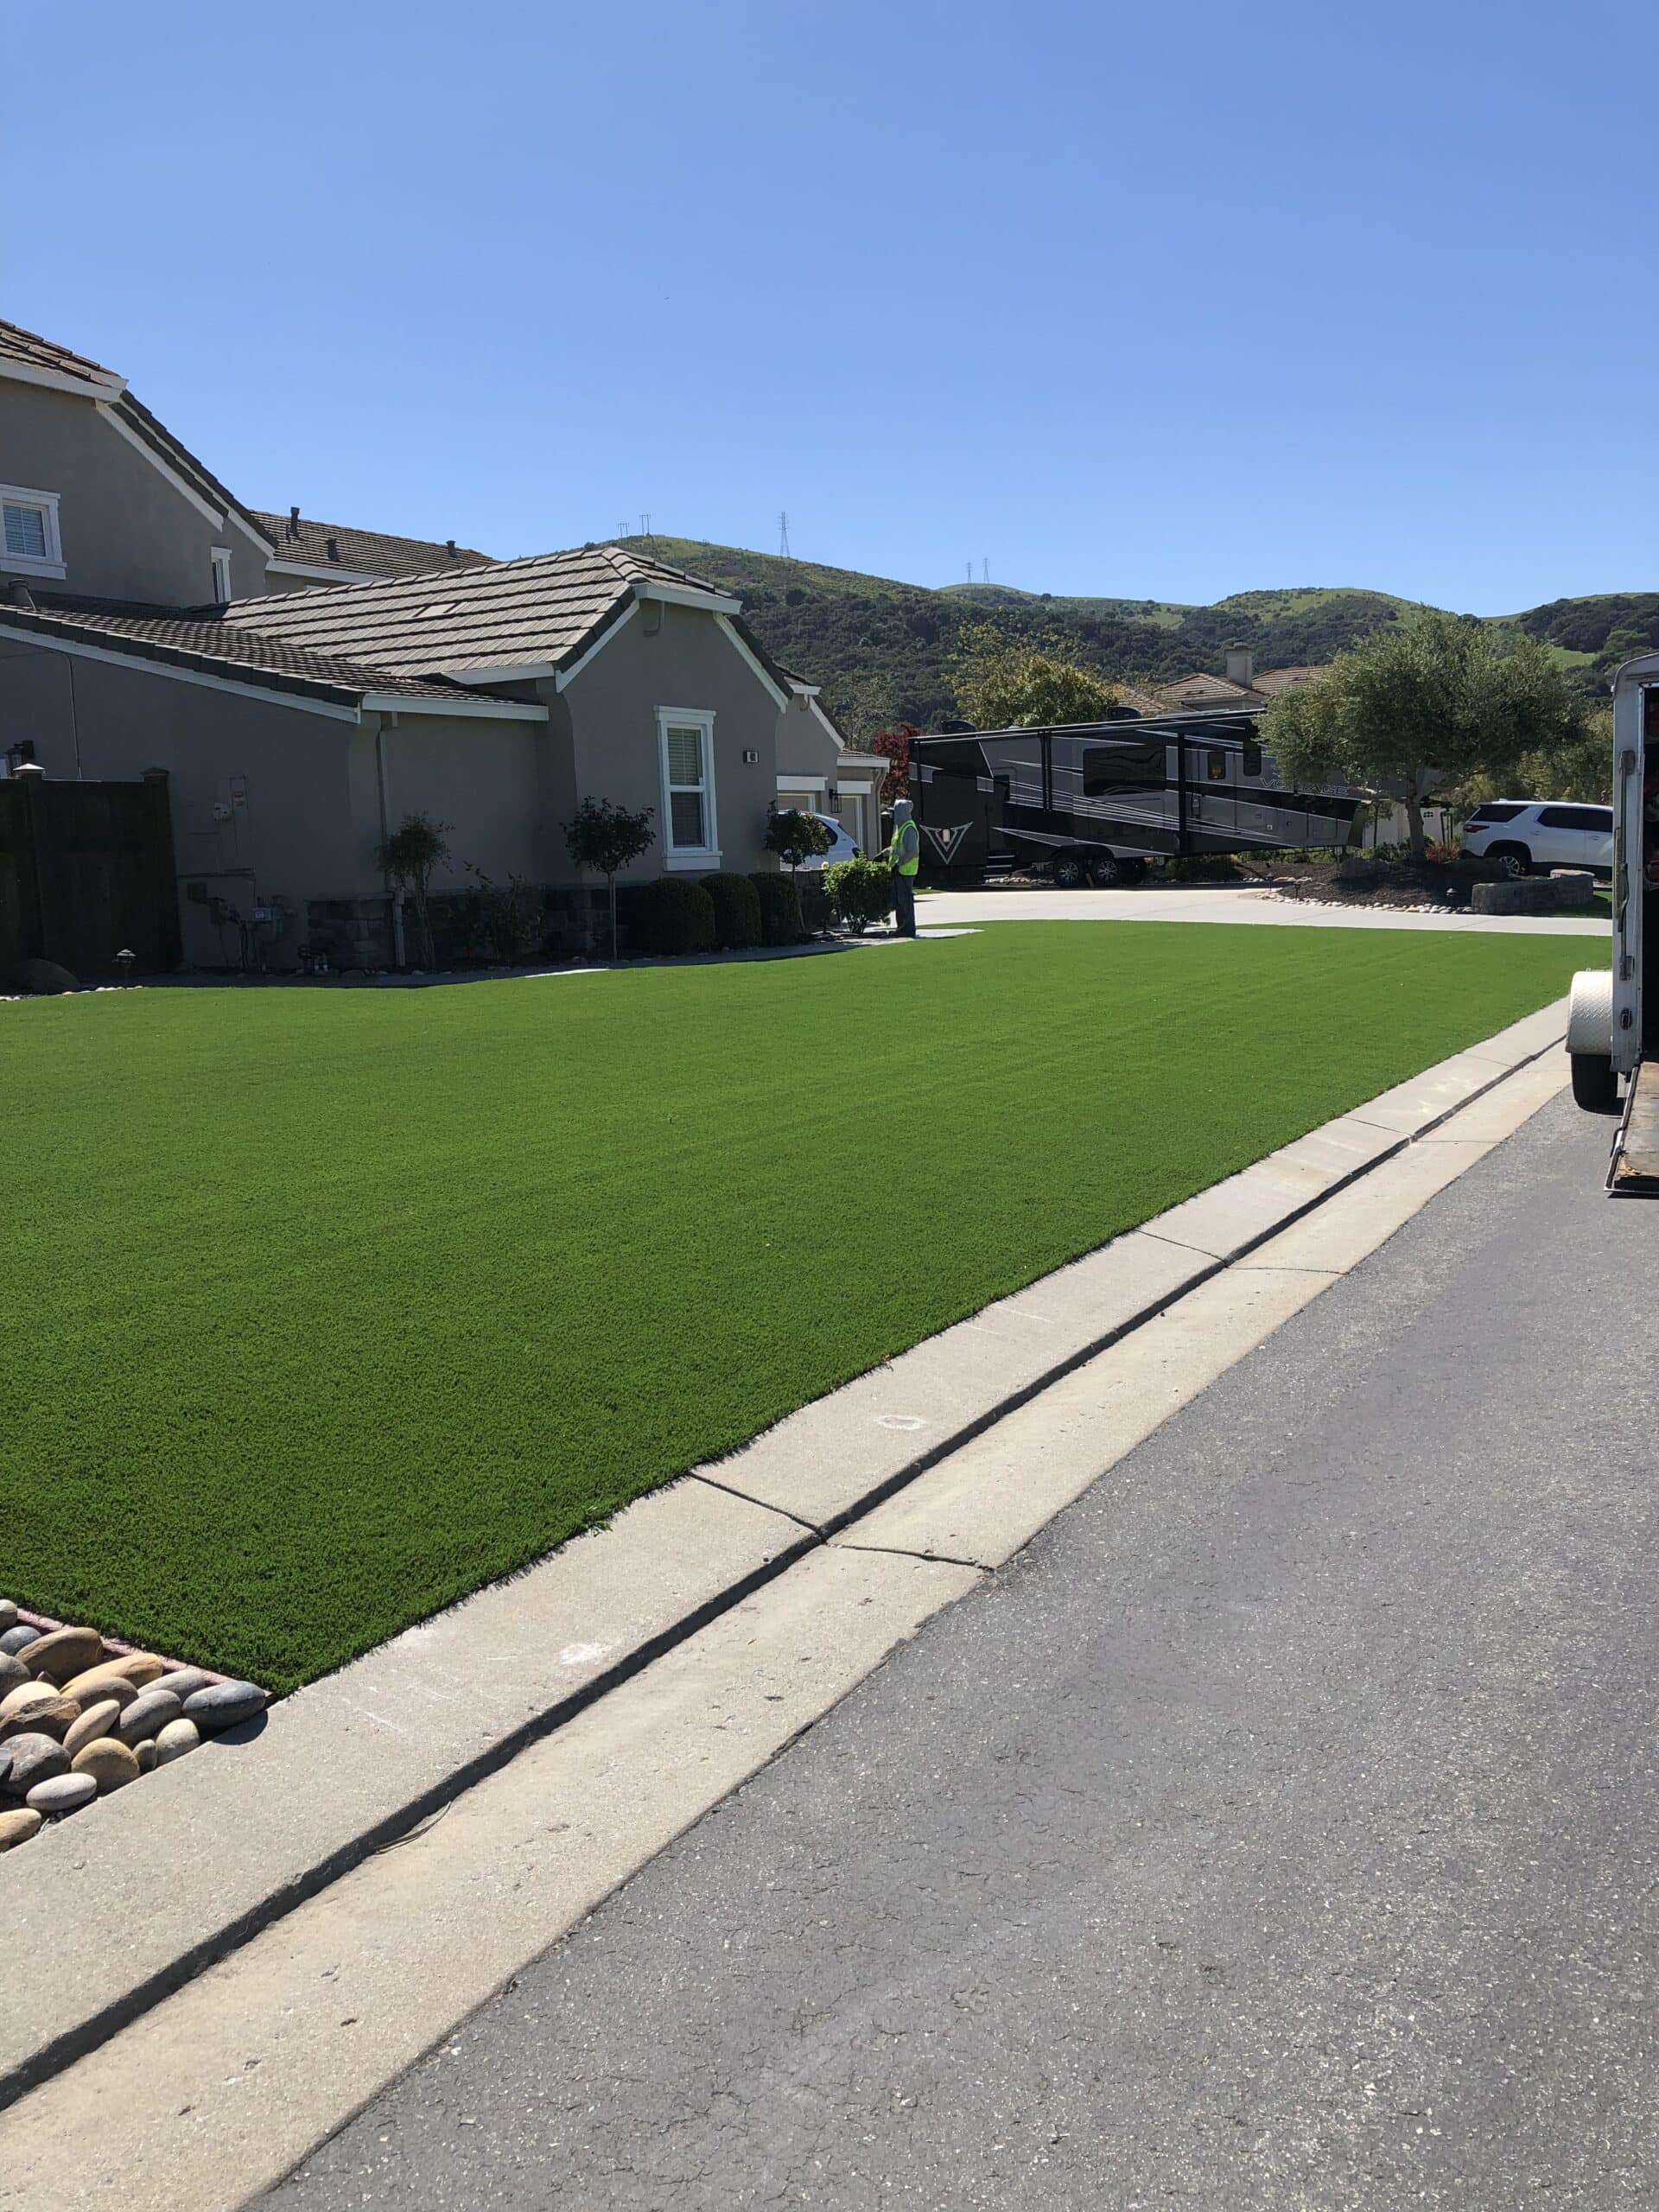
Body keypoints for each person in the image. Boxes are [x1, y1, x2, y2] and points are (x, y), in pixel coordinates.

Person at [884, 798, 921, 938]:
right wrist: (885, 853)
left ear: (901, 813)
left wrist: (899, 863)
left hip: (905, 871)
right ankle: (902, 928)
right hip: (899, 870)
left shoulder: (909, 828)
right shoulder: (900, 827)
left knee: (905, 901)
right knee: (899, 901)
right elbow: (896, 847)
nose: (893, 815)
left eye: (895, 812)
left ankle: (908, 929)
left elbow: (912, 852)